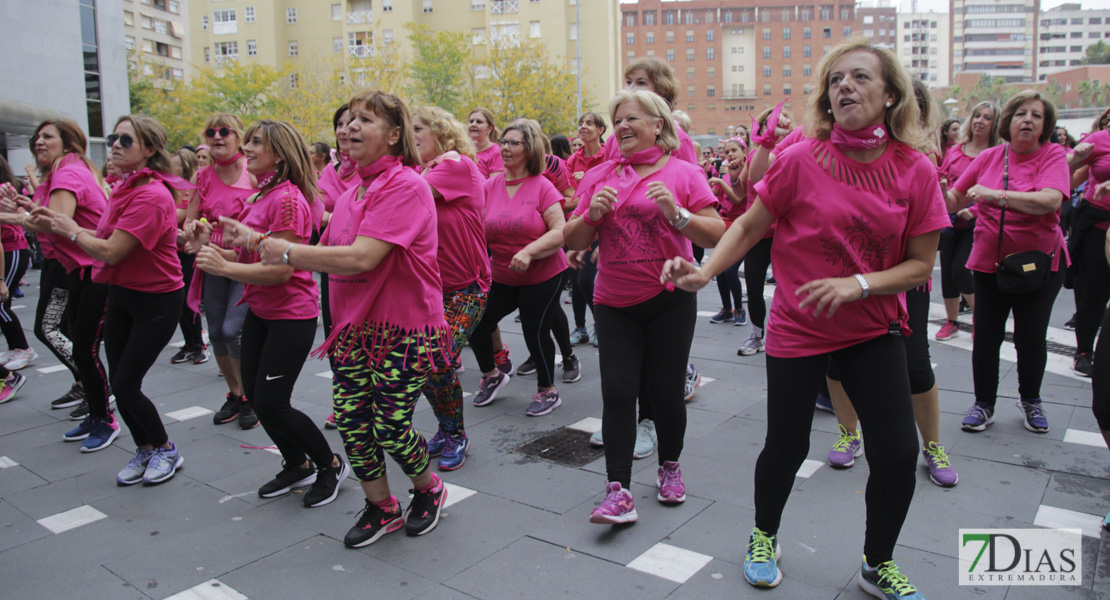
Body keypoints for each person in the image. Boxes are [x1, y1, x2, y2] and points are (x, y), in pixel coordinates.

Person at [663, 39, 948, 597]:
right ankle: (763, 536)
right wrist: (703, 272)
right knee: (786, 446)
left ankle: (876, 562)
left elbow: (921, 266)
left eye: (860, 77)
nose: (844, 86)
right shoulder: (800, 158)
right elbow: (747, 226)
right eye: (836, 79)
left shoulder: (915, 171)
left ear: (890, 95)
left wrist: (858, 284)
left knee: (896, 453)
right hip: (797, 327)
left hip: (872, 329)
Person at [258, 89, 449, 547]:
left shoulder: (406, 185)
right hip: (354, 330)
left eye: (365, 119)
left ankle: (429, 488)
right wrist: (246, 242)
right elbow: (329, 254)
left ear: (395, 134)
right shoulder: (351, 193)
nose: (350, 128)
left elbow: (362, 258)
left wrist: (284, 250)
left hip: (405, 330)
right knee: (350, 420)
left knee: (390, 426)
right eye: (347, 121)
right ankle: (381, 507)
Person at [566, 89, 723, 524]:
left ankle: (669, 466)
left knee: (665, 392)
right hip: (613, 301)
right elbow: (573, 242)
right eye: (617, 120)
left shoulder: (685, 173)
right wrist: (591, 217)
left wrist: (678, 215)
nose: (622, 127)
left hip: (668, 300)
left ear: (658, 124)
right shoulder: (599, 175)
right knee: (617, 392)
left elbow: (717, 234)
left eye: (632, 118)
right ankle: (618, 491)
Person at [191, 120, 349, 506]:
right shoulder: (262, 196)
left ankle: (330, 464)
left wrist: (224, 269)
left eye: (255, 142)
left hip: (289, 316)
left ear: (278, 153)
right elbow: (250, 254)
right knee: (259, 401)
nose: (246, 148)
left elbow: (280, 269)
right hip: (260, 311)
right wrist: (211, 249)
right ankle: (297, 463)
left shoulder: (289, 200)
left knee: (274, 402)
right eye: (247, 141)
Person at [823, 79, 959, 489]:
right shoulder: (833, 150)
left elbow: (926, 248)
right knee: (835, 360)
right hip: (844, 276)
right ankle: (849, 433)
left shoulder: (920, 160)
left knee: (916, 364)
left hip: (904, 281)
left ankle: (932, 444)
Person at [36, 115, 186, 483]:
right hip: (121, 295)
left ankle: (166, 449)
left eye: (126, 140)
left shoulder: (150, 194)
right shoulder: (123, 187)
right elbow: (103, 233)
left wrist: (70, 231)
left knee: (124, 385)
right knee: (119, 377)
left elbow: (112, 251)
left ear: (149, 150)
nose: (115, 145)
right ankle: (145, 449)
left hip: (156, 301)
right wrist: (46, 221)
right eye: (113, 138)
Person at [950, 91, 1070, 434]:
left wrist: (996, 196)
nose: (1028, 119)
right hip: (990, 261)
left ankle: (1031, 400)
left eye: (1036, 115)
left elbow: (1049, 201)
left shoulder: (1053, 154)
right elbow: (954, 198)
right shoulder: (989, 157)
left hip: (1040, 263)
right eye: (1021, 113)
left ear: (1045, 125)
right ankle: (983, 404)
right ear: (1009, 122)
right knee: (985, 336)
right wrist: (932, 188)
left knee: (1030, 337)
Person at [0, 120, 113, 433]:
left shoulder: (68, 172)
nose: (38, 142)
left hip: (95, 270)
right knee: (80, 347)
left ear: (68, 143)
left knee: (81, 348)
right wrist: (23, 207)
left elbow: (55, 222)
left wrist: (9, 215)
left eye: (47, 137)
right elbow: (47, 216)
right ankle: (97, 409)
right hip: (77, 269)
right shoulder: (61, 172)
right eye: (37, 137)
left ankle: (104, 415)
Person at [468, 120, 568, 416]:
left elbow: (560, 230)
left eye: (514, 143)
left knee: (534, 330)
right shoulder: (489, 185)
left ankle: (547, 390)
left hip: (543, 274)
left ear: (530, 149)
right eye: (504, 143)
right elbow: (474, 228)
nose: (506, 148)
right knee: (477, 324)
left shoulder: (542, 186)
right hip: (502, 274)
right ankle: (492, 375)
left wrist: (529, 251)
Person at [412, 105, 492, 471]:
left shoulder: (454, 165)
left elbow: (405, 195)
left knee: (436, 357)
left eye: (417, 129)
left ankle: (456, 433)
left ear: (441, 133)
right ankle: (447, 429)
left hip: (466, 286)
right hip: (429, 287)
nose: (410, 136)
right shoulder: (421, 170)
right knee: (426, 363)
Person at [188, 114, 257, 429]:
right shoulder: (202, 176)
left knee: (232, 330)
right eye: (211, 131)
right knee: (215, 333)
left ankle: (249, 396)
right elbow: (190, 221)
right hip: (213, 261)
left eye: (224, 131)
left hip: (244, 263)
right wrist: (193, 234)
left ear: (238, 136)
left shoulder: (252, 172)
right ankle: (235, 393)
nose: (217, 136)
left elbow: (264, 221)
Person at [936, 102, 1000, 341]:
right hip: (948, 219)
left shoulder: (996, 154)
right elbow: (943, 176)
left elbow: (997, 187)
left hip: (978, 222)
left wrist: (972, 210)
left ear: (995, 125)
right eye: (977, 115)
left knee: (960, 271)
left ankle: (980, 316)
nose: (980, 121)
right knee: (947, 274)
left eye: (987, 117)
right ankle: (951, 322)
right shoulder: (956, 149)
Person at [315, 104, 360, 430]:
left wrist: (338, 216)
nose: (345, 130)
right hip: (332, 266)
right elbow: (316, 213)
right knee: (336, 336)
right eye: (340, 124)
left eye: (353, 123)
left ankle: (367, 399)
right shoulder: (328, 174)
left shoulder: (374, 172)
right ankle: (343, 401)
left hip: (365, 265)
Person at [736, 105, 794, 357]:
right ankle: (757, 335)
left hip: (785, 233)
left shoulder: (796, 154)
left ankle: (790, 334)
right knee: (755, 286)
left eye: (785, 128)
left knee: (790, 287)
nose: (780, 133)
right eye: (773, 127)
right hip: (759, 233)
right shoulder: (758, 156)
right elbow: (745, 186)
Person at [168, 147, 208, 365]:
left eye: (173, 161)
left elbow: (178, 215)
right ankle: (189, 343)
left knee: (188, 299)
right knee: (179, 303)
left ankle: (199, 345)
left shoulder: (187, 189)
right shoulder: (170, 188)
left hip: (188, 252)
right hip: (172, 251)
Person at [706, 138, 748, 327]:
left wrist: (722, 184)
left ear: (744, 152)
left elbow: (739, 200)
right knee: (720, 270)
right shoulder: (723, 173)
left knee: (731, 270)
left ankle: (739, 309)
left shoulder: (748, 171)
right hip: (725, 226)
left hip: (743, 227)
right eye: (727, 151)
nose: (730, 154)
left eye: (734, 150)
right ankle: (727, 309)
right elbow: (714, 196)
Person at [0, 157, 35, 373]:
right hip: (8, 250)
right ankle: (15, 347)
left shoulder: (4, 188)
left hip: (12, 249)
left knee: (1, 303)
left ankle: (23, 348)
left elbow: (17, 213)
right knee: (4, 303)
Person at [469, 107, 504, 179]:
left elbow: (494, 185)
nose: (473, 124)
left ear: (490, 128)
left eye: (479, 122)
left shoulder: (497, 153)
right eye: (471, 121)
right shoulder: (463, 149)